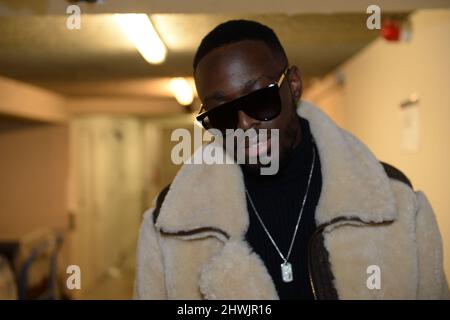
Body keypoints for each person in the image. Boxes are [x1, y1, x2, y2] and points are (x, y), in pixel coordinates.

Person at [134, 20, 449, 299]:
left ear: (294, 85)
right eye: (223, 113)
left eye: (260, 99)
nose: (244, 124)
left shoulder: (397, 203)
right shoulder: (169, 226)